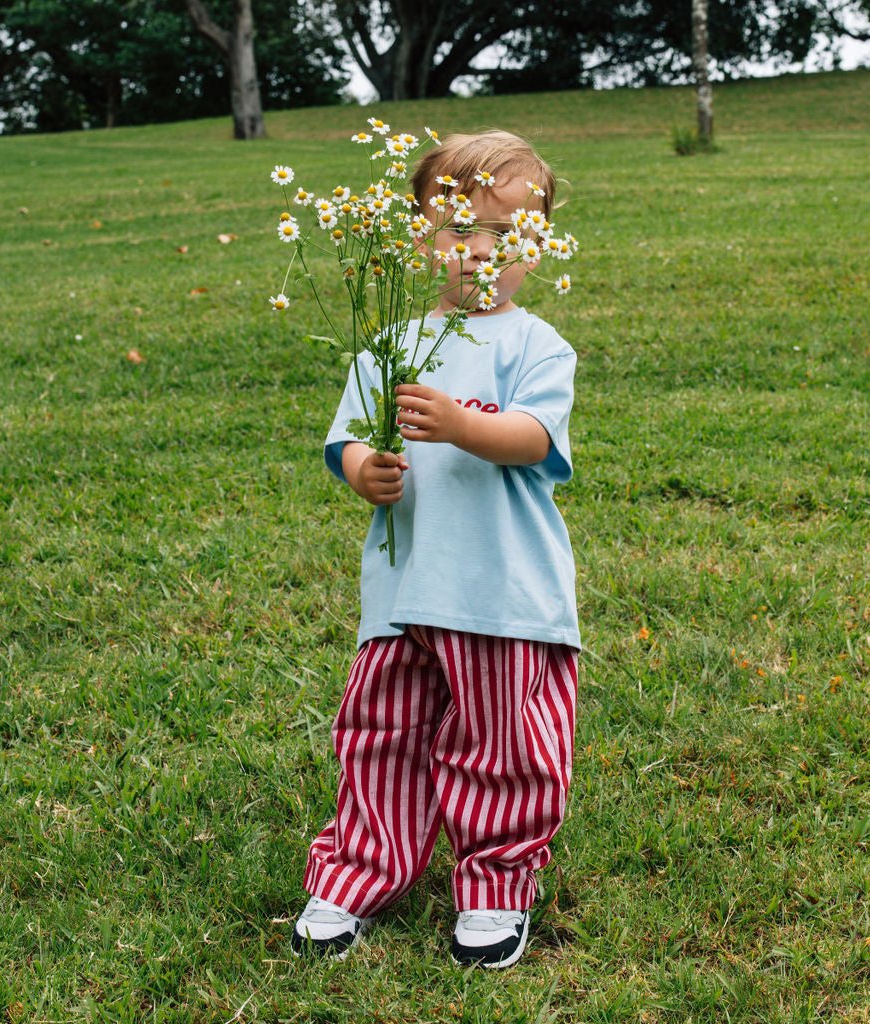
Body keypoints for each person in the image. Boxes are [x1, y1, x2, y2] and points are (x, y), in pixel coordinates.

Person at [291, 130, 580, 970]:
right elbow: (348, 437)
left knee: (499, 746)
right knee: (380, 734)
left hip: (498, 593)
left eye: (505, 235)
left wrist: (462, 425)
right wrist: (362, 469)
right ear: (421, 236)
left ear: (541, 244)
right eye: (458, 230)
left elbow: (533, 439)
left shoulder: (537, 345)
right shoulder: (388, 342)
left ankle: (493, 883)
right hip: (401, 590)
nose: (478, 253)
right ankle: (360, 869)